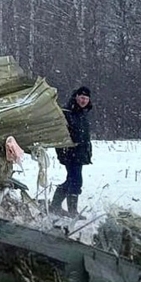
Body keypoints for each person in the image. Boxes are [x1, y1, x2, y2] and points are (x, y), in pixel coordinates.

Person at [52, 86, 93, 218]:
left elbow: (84, 136)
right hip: (70, 153)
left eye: (86, 98)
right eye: (81, 97)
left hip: (80, 153)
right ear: (76, 97)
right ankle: (72, 210)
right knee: (76, 180)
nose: (83, 100)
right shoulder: (67, 112)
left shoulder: (83, 113)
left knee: (71, 180)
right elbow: (60, 134)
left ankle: (55, 206)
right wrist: (62, 152)